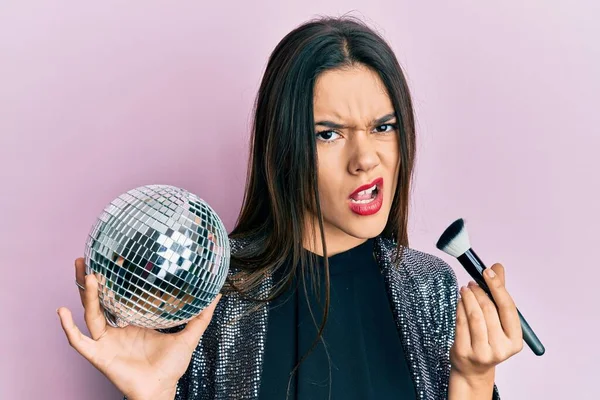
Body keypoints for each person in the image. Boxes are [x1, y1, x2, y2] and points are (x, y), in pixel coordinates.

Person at [57, 16, 523, 400]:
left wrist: (474, 381)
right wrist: (153, 397)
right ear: (283, 148)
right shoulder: (211, 295)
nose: (365, 159)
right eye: (329, 133)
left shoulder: (429, 287)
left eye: (383, 127)